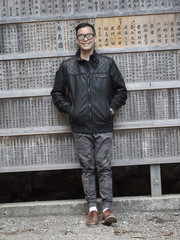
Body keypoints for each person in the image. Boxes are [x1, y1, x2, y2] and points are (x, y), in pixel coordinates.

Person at [51, 23, 127, 226]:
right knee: (87, 168)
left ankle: (107, 209)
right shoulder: (67, 66)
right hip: (81, 126)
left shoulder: (107, 64)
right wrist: (72, 110)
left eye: (89, 35)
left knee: (104, 167)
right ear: (77, 40)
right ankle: (92, 209)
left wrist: (110, 109)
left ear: (94, 38)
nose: (85, 39)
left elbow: (121, 90)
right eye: (81, 36)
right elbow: (57, 93)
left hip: (103, 125)